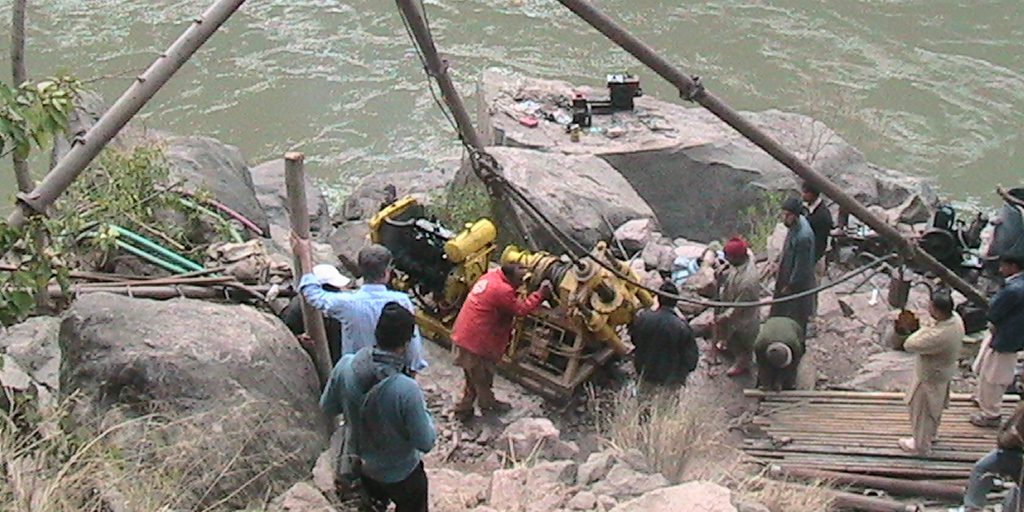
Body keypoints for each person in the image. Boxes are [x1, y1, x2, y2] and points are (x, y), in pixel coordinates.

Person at [320, 302, 436, 512]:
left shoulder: (346, 365)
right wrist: (425, 414)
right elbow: (426, 442)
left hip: (360, 467)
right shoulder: (406, 389)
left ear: (377, 333)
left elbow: (327, 407)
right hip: (401, 473)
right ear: (407, 343)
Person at [296, 243, 428, 374]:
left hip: (355, 375)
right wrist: (413, 371)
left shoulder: (347, 303)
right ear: (386, 272)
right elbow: (412, 344)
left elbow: (312, 294)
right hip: (392, 374)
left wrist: (305, 256)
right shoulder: (402, 301)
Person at [450, 263, 552, 420]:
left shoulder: (491, 276)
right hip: (474, 343)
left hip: (465, 335)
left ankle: (466, 407)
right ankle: (485, 408)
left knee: (473, 377)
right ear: (510, 277)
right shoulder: (502, 290)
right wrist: (540, 294)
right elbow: (520, 309)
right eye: (519, 280)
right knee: (481, 379)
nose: (521, 284)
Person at [897, 290, 965, 455]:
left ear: (935, 309)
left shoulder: (938, 335)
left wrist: (918, 328)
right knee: (935, 407)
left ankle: (920, 445)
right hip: (944, 372)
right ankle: (931, 434)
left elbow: (910, 344)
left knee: (922, 410)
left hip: (929, 376)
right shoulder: (955, 319)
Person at [972, 254, 1024, 427]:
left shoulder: (1012, 290)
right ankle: (983, 400)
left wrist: (993, 321)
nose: (1001, 270)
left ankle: (991, 414)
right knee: (988, 370)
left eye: (1003, 266)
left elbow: (994, 310)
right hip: (1013, 336)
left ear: (1013, 266)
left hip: (1005, 338)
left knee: (994, 377)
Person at [629, 281, 700, 387]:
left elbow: (634, 340)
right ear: (676, 301)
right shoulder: (682, 327)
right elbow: (691, 360)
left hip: (645, 373)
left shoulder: (643, 318)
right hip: (669, 379)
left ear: (658, 299)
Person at [958, 400, 1024, 511]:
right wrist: (1009, 437)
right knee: (981, 468)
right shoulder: (1021, 409)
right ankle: (972, 507)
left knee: (1016, 494)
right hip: (1010, 451)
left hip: (1017, 456)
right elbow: (1005, 433)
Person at [713, 236, 761, 377]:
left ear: (737, 257)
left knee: (741, 340)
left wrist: (723, 317)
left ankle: (743, 362)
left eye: (728, 257)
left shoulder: (748, 281)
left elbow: (738, 308)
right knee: (729, 334)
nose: (726, 259)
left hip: (743, 317)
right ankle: (728, 345)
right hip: (731, 299)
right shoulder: (743, 259)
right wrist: (725, 268)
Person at [282, 264, 348, 364]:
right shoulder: (299, 308)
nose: (337, 291)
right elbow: (286, 334)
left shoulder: (340, 305)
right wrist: (299, 339)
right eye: (332, 287)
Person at [770, 197, 816, 335]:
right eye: (783, 214)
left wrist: (790, 285)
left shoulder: (803, 237)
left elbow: (801, 267)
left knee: (794, 316)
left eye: (787, 215)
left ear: (795, 215)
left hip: (796, 285)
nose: (784, 218)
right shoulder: (794, 225)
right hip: (786, 271)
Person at [754, 316, 805, 391]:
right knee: (766, 377)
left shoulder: (795, 345)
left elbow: (793, 365)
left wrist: (780, 381)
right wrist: (766, 384)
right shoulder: (759, 346)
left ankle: (788, 384)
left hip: (791, 323)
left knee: (789, 381)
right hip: (771, 322)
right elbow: (762, 365)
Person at [801, 182, 833, 266]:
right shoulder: (807, 208)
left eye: (805, 192)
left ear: (812, 194)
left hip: (814, 257)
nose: (802, 195)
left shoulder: (822, 216)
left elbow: (820, 243)